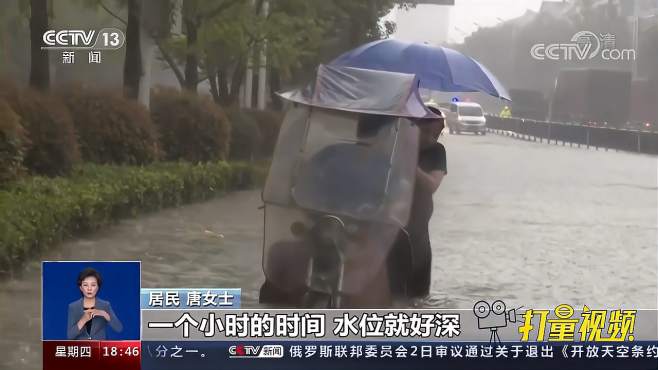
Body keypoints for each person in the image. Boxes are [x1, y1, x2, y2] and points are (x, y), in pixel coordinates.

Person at [390, 102, 447, 298]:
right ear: (413, 127)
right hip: (387, 225)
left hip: (417, 231)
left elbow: (432, 185)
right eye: (427, 132)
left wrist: (409, 164)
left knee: (417, 297)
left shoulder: (437, 152)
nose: (431, 138)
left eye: (436, 134)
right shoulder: (394, 143)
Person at [67, 268, 123, 340]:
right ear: (80, 288)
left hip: (100, 348)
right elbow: (70, 335)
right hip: (82, 349)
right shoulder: (73, 307)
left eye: (93, 285)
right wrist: (83, 320)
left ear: (98, 287)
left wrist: (104, 314)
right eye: (85, 285)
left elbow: (119, 328)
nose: (89, 288)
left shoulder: (105, 305)